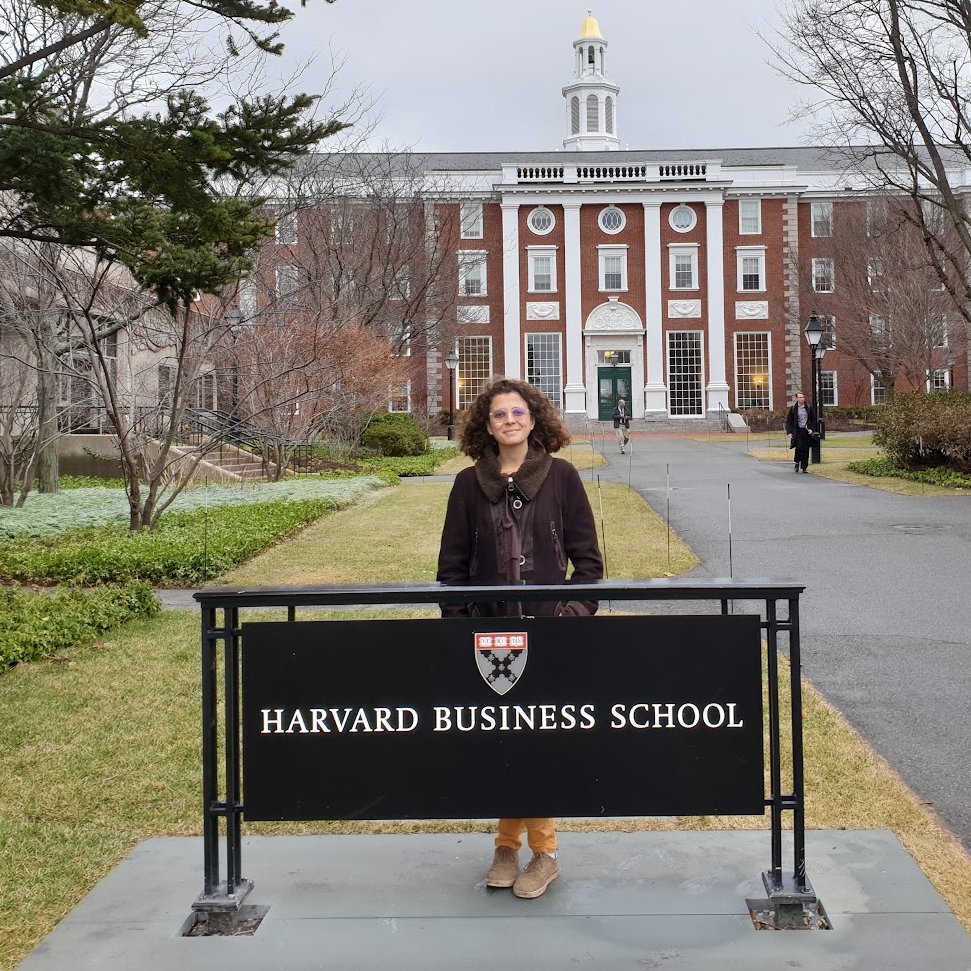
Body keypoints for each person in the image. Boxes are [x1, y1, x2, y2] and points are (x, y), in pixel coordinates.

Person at [436, 377, 604, 899]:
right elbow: (451, 571)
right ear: (485, 427)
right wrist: (465, 626)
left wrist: (567, 618)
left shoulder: (562, 478)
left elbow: (590, 568)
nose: (509, 421)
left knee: (539, 744)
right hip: (489, 644)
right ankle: (508, 847)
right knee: (502, 741)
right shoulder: (468, 484)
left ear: (534, 419)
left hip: (548, 637)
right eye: (498, 415)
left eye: (518, 412)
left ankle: (543, 854)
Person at [785, 390, 817, 474]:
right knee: (798, 447)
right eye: (800, 397)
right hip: (797, 431)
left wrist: (811, 429)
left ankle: (804, 467)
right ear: (796, 399)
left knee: (805, 449)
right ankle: (797, 462)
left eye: (803, 397)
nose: (802, 399)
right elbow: (789, 421)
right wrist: (789, 432)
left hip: (806, 431)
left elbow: (813, 420)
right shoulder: (793, 409)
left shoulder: (809, 408)